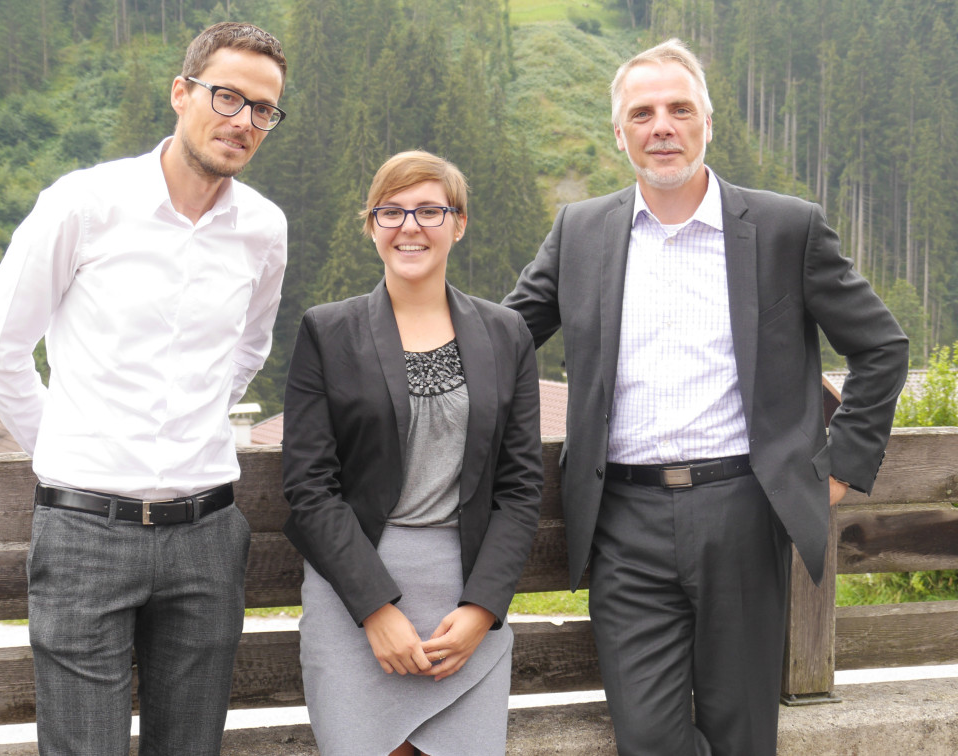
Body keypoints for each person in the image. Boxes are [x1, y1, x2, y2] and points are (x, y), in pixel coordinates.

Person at [503, 38, 908, 756]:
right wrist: (393, 351)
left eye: (680, 109)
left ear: (707, 124)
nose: (663, 126)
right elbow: (501, 340)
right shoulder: (581, 231)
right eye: (644, 112)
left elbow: (882, 346)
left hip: (743, 513)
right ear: (619, 132)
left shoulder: (787, 228)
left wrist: (840, 469)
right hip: (621, 521)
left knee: (743, 733)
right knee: (649, 739)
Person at [0, 22, 288, 756]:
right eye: (228, 96)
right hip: (84, 534)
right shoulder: (84, 203)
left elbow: (249, 347)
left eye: (262, 109)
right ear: (182, 93)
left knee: (191, 748)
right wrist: (73, 452)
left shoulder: (265, 229)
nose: (243, 121)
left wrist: (193, 420)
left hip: (209, 534)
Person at [282, 150, 542, 756]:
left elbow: (521, 489)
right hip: (356, 594)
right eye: (391, 211)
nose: (410, 226)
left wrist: (482, 609)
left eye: (430, 210)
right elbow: (309, 486)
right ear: (371, 225)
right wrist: (375, 608)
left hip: (465, 600)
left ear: (459, 222)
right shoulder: (328, 331)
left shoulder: (507, 335)